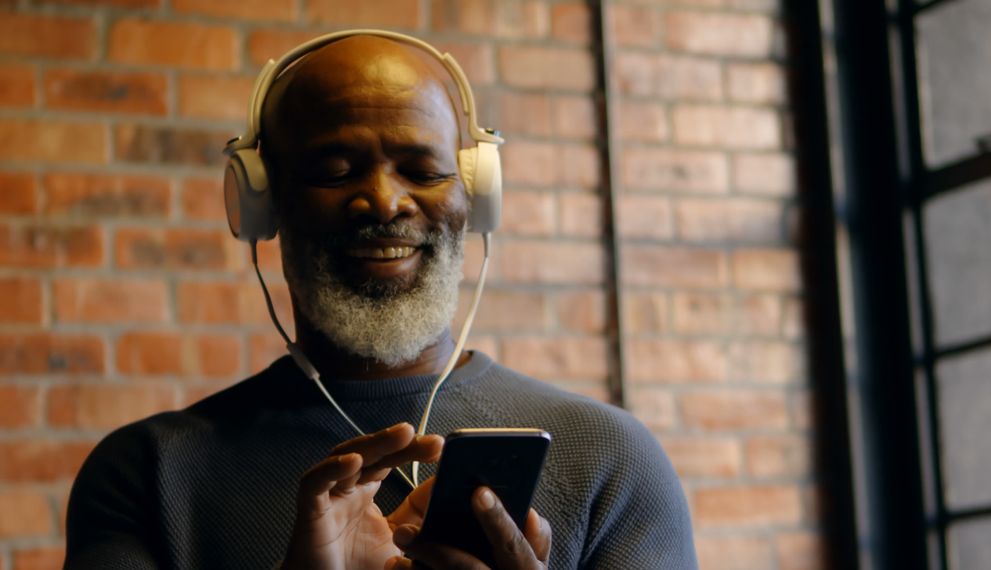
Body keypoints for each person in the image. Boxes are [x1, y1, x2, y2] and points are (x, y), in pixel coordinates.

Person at [63, 32, 697, 570]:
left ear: (476, 197)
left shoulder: (611, 459)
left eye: (423, 170)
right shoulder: (146, 475)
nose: (385, 202)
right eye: (335, 171)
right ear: (260, 201)